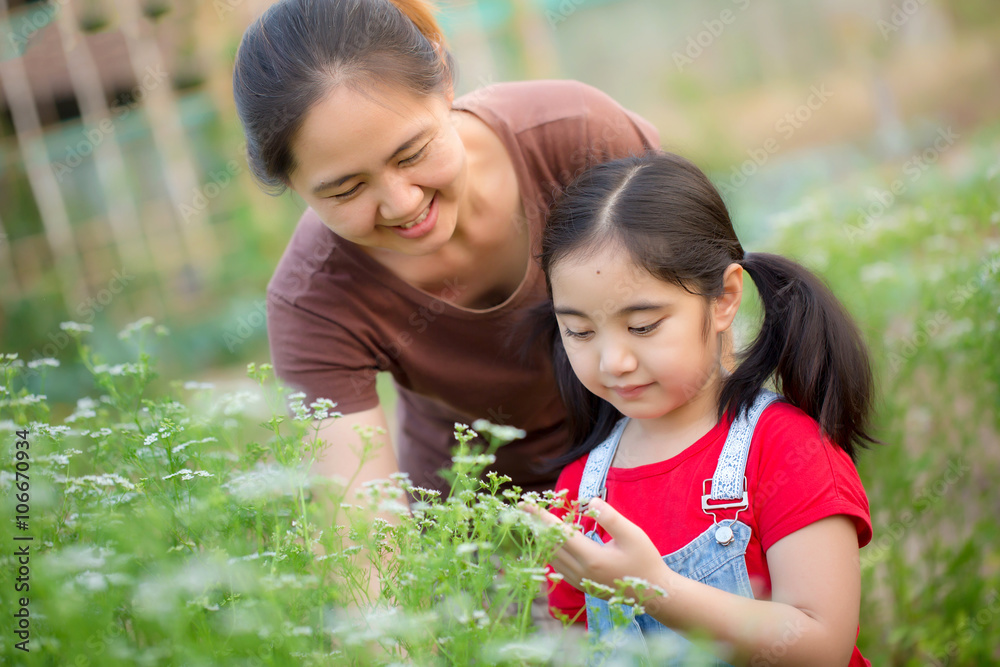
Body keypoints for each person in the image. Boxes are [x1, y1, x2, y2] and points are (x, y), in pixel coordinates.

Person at [231, 0, 660, 499]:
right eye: (346, 190)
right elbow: (361, 535)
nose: (401, 203)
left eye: (412, 153)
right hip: (481, 528)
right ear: (292, 184)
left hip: (657, 462)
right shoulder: (314, 300)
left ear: (444, 81)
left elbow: (696, 338)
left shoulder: (578, 137)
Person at [524, 151, 876, 666]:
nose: (613, 360)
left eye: (643, 325)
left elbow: (823, 645)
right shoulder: (580, 488)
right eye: (579, 331)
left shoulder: (785, 449)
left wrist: (653, 587)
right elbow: (579, 643)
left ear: (725, 298)